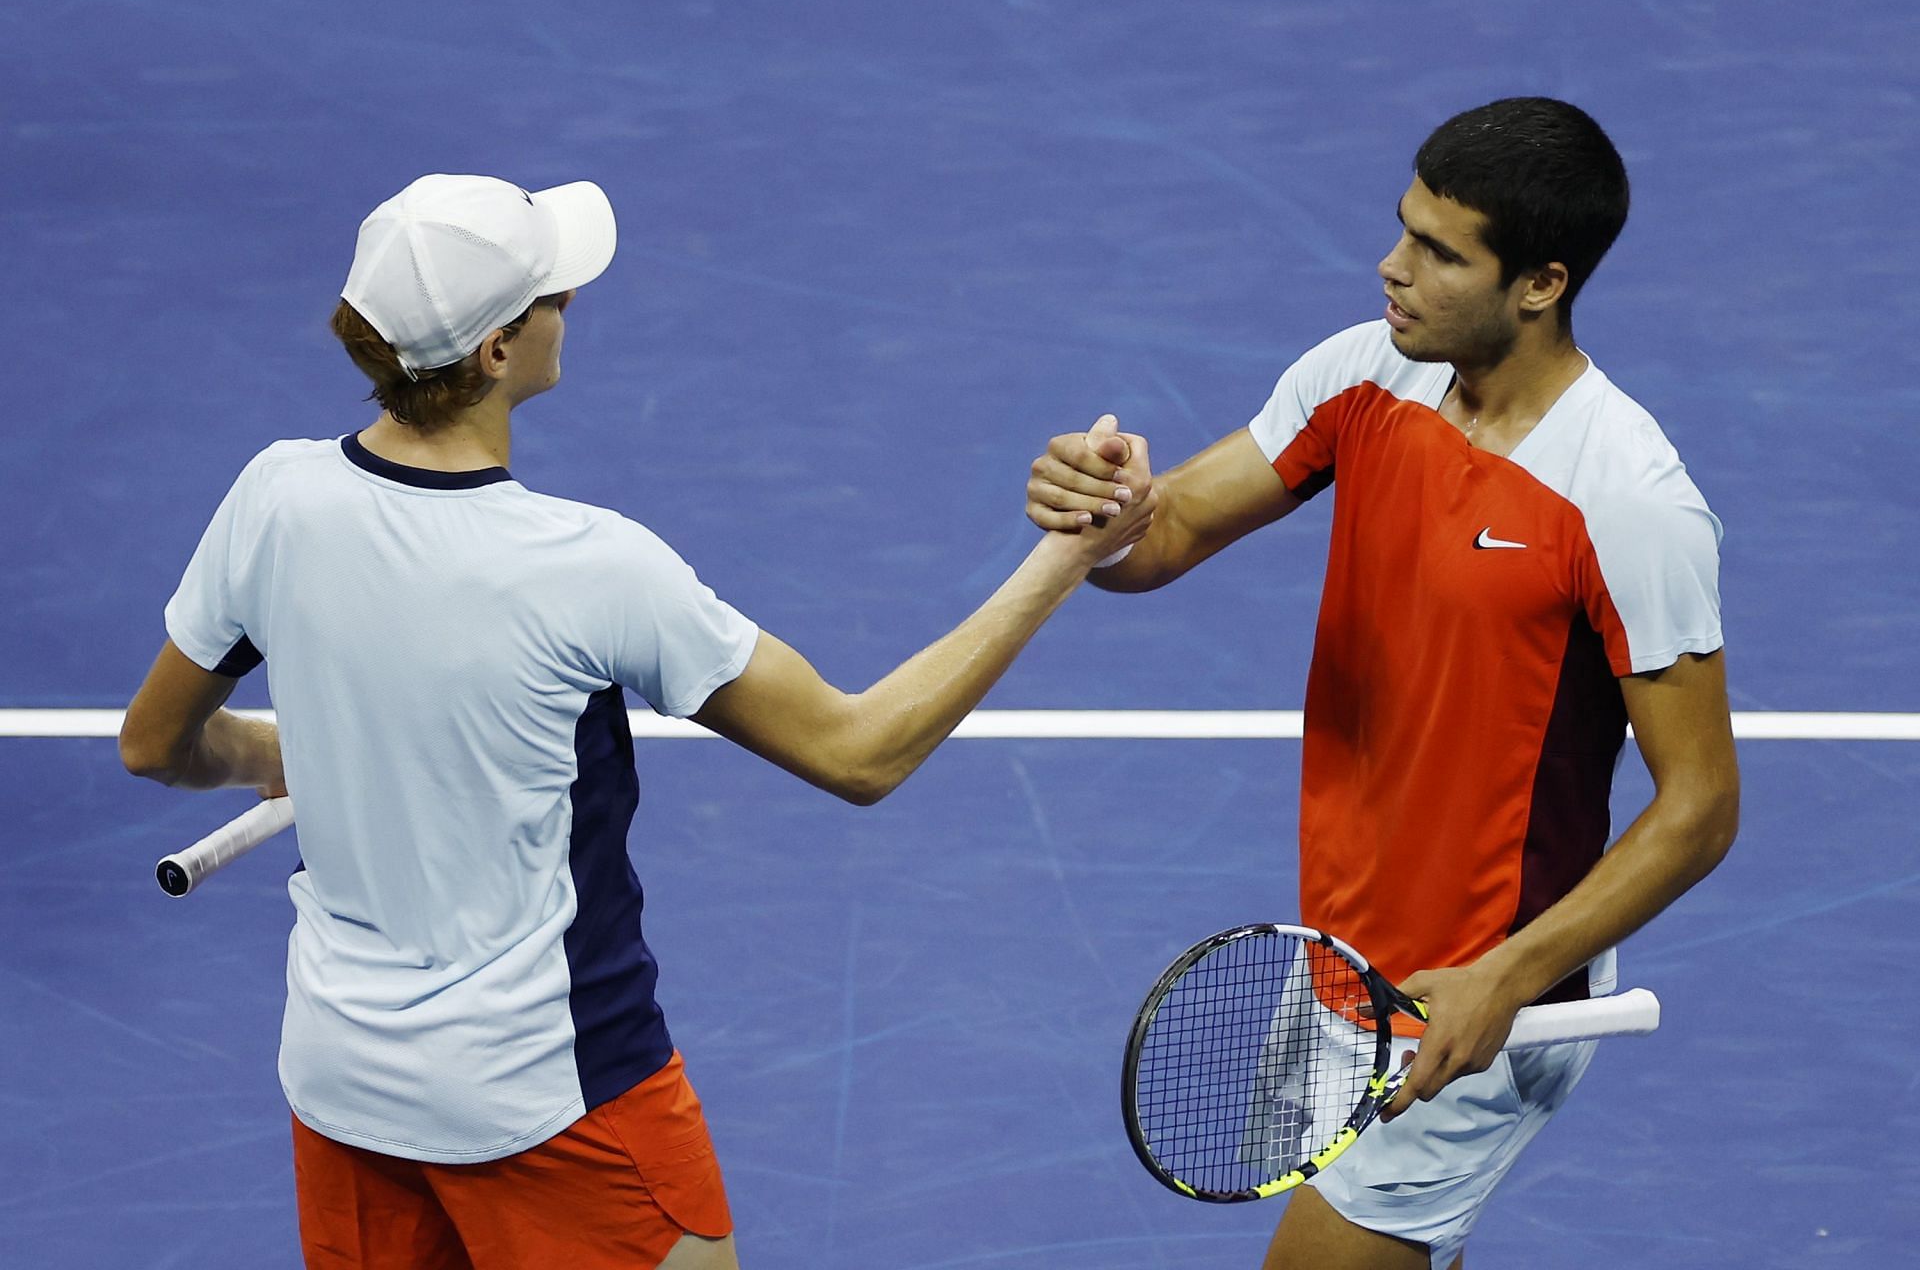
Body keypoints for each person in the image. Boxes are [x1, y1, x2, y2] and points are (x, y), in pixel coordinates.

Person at [118, 172, 1152, 1270]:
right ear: (497, 353)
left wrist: (283, 751)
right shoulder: (593, 567)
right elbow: (860, 749)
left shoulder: (273, 498)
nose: (572, 300)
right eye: (550, 293)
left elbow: (158, 743)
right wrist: (1069, 554)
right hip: (554, 1099)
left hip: (342, 1091)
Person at [1026, 97, 1739, 1269]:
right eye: (1403, 228)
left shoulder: (1628, 502)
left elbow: (1702, 801)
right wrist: (1106, 517)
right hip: (1340, 954)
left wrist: (1500, 979)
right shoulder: (1365, 375)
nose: (1391, 266)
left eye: (1439, 252)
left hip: (1482, 996)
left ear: (1540, 284)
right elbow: (1166, 536)